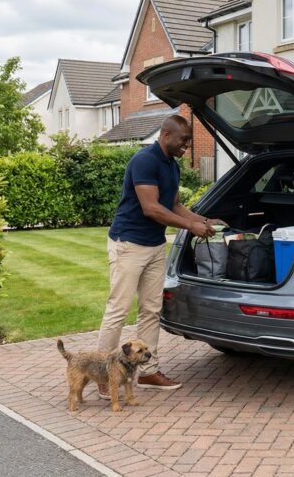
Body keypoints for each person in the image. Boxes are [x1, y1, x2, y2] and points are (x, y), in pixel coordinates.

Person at [96, 115, 222, 396]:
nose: (186, 146)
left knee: (151, 310)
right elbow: (151, 208)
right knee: (118, 309)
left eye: (188, 141)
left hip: (153, 246)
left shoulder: (171, 166)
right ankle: (104, 376)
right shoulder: (144, 161)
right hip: (129, 243)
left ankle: (147, 372)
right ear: (166, 135)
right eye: (183, 140)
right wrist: (190, 226)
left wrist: (202, 220)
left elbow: (174, 204)